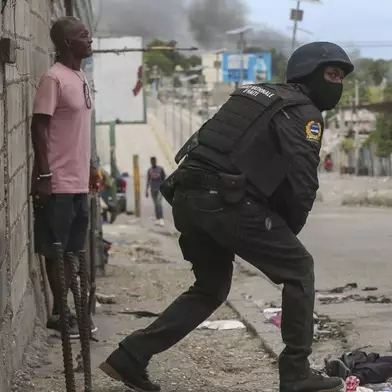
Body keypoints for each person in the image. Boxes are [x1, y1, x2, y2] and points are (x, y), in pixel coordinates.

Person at [100, 41, 354, 392]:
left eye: (341, 77)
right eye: (331, 74)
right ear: (307, 74)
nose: (337, 83)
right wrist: (286, 232)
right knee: (299, 270)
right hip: (225, 201)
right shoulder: (304, 111)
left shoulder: (252, 94)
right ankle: (295, 372)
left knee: (211, 288)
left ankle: (130, 355)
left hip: (187, 196)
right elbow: (302, 180)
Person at [31, 16, 97, 338]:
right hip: (56, 182)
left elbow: (79, 132)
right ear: (69, 42)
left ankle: (71, 311)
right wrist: (44, 175)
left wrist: (91, 168)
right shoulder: (53, 79)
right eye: (84, 35)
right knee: (55, 249)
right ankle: (61, 312)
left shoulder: (79, 76)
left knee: (71, 249)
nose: (90, 39)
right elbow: (38, 127)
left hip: (78, 181)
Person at [146, 156, 166, 226]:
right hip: (152, 189)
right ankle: (157, 218)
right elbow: (148, 180)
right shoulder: (149, 170)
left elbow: (164, 178)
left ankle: (161, 218)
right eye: (151, 161)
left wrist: (164, 187)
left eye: (154, 161)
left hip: (159, 189)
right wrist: (146, 190)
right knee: (155, 204)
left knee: (158, 203)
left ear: (155, 161)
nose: (153, 163)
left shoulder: (160, 169)